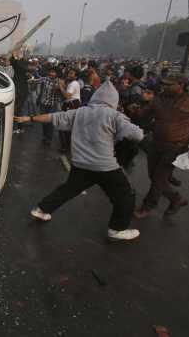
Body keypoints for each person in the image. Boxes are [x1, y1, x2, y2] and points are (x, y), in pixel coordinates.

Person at [14, 80, 144, 241]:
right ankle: (117, 230)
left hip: (81, 164)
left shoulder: (79, 112)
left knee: (68, 190)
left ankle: (41, 209)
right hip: (105, 166)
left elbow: (53, 117)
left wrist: (30, 118)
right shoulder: (114, 115)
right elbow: (137, 135)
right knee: (125, 196)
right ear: (113, 101)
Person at [130, 74, 189, 218]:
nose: (165, 86)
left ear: (181, 85)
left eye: (169, 84)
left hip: (175, 147)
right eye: (164, 84)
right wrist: (134, 110)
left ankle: (147, 206)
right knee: (154, 177)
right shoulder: (158, 99)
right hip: (155, 144)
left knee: (159, 179)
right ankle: (176, 199)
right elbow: (143, 114)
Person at [35, 66, 62, 145]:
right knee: (43, 121)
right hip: (43, 104)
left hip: (52, 105)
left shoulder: (59, 81)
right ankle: (45, 136)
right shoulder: (45, 79)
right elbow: (36, 81)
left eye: (53, 72)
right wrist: (31, 79)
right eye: (50, 72)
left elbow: (61, 92)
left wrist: (58, 87)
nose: (51, 73)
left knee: (50, 122)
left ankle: (49, 138)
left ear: (56, 74)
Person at [58, 68, 81, 153]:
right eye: (69, 73)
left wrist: (60, 86)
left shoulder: (73, 84)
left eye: (71, 74)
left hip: (71, 105)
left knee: (63, 126)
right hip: (72, 104)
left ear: (76, 76)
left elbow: (67, 96)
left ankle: (65, 147)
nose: (69, 75)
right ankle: (68, 146)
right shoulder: (73, 83)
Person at [10, 50, 30, 134]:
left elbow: (15, 64)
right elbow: (14, 63)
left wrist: (14, 56)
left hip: (21, 92)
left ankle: (18, 127)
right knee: (17, 110)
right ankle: (18, 127)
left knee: (18, 110)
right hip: (20, 91)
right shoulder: (22, 69)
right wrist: (14, 57)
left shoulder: (22, 69)